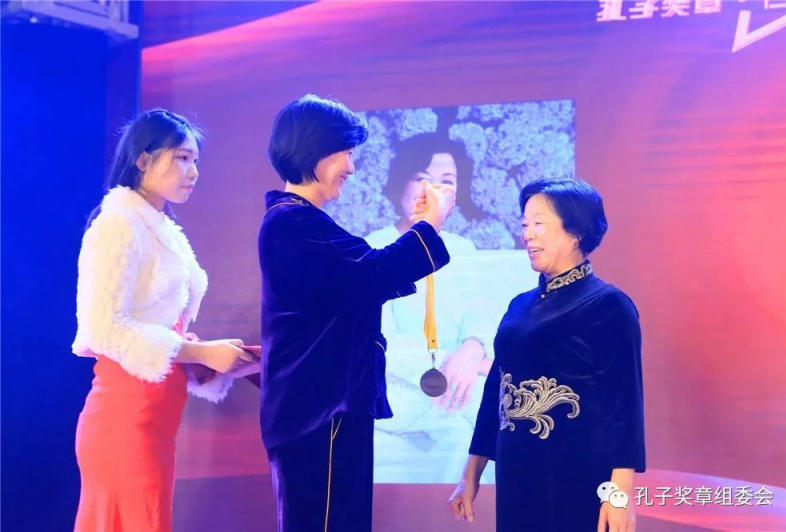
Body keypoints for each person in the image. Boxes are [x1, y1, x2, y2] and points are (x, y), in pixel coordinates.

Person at [258, 95, 455, 532]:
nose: (351, 166)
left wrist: (421, 228)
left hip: (326, 408)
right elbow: (372, 274)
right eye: (345, 152)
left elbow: (360, 279)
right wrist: (432, 223)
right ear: (315, 150)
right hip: (321, 410)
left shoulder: (300, 222)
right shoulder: (293, 222)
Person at [72, 109, 259, 532]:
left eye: (195, 160)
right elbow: (103, 327)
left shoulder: (159, 227)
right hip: (124, 418)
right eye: (181, 158)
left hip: (154, 418)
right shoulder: (118, 224)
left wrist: (204, 358)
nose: (193, 171)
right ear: (143, 159)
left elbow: (156, 328)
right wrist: (198, 352)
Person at [449, 178, 646, 532]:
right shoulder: (519, 305)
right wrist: (471, 472)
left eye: (539, 223)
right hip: (517, 476)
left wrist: (619, 495)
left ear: (576, 233)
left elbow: (625, 404)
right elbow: (496, 390)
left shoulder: (608, 304)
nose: (527, 234)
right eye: (525, 224)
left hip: (578, 477)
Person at [365, 132, 493, 483]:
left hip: (460, 377)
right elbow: (380, 338)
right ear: (400, 184)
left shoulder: (463, 249)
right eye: (422, 178)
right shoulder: (374, 248)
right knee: (464, 427)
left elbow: (480, 317)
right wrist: (451, 364)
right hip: (397, 382)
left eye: (446, 181)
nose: (433, 190)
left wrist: (472, 350)